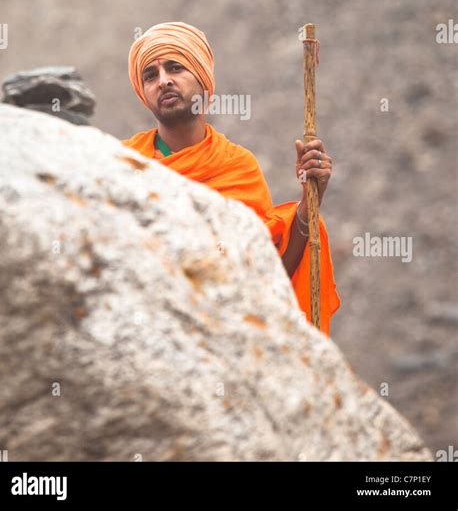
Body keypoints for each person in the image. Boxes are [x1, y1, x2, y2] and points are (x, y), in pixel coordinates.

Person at [122, 21, 340, 335]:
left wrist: (309, 203)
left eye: (175, 68)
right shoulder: (123, 163)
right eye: (151, 75)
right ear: (143, 92)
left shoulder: (237, 166)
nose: (164, 81)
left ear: (202, 79)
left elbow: (266, 278)